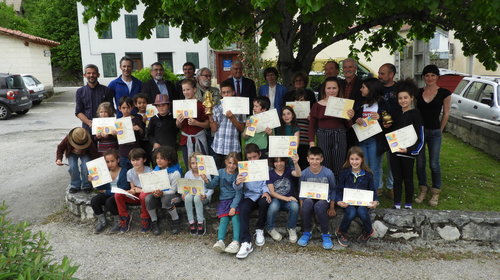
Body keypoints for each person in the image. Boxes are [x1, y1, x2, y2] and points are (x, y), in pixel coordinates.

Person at [384, 79, 424, 209]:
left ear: (412, 98)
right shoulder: (395, 114)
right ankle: (396, 204)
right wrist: (386, 126)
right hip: (395, 152)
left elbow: (421, 137)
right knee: (396, 179)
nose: (403, 100)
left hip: (407, 153)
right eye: (400, 98)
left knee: (408, 179)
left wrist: (409, 150)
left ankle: (408, 204)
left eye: (405, 97)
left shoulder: (416, 114)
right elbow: (390, 132)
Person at [415, 65, 451, 207]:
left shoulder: (444, 93)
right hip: (420, 132)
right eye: (427, 75)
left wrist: (440, 130)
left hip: (435, 132)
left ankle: (435, 192)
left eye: (433, 75)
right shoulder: (418, 92)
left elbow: (447, 113)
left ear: (437, 77)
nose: (429, 78)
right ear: (423, 77)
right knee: (420, 162)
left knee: (434, 163)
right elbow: (414, 111)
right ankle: (423, 189)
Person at [309, 77, 354, 176]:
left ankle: (338, 189)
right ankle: (326, 189)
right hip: (323, 136)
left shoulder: (344, 104)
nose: (331, 91)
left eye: (334, 88)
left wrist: (349, 117)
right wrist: (312, 142)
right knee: (324, 163)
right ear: (324, 89)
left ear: (338, 89)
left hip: (339, 135)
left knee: (339, 164)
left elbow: (349, 126)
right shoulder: (317, 105)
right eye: (328, 88)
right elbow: (312, 125)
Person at [233, 143, 272, 259]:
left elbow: (268, 182)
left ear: (259, 154)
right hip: (249, 196)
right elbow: (238, 188)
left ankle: (260, 228)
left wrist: (266, 191)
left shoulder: (266, 167)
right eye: (249, 158)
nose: (252, 160)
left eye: (254, 157)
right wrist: (238, 182)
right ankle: (246, 242)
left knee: (264, 202)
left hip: (261, 195)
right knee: (243, 207)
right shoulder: (244, 168)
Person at [335, 146, 379, 247]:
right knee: (351, 212)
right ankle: (341, 232)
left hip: (363, 202)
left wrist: (375, 201)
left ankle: (368, 231)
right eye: (352, 159)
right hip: (348, 202)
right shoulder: (344, 173)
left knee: (362, 212)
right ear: (348, 159)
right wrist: (339, 201)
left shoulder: (368, 175)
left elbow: (373, 190)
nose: (354, 162)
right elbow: (338, 190)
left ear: (362, 159)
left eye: (357, 159)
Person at [201, 152, 242, 254]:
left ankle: (236, 241)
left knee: (235, 218)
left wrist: (233, 207)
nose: (232, 165)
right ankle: (220, 241)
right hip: (224, 200)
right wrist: (206, 180)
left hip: (235, 200)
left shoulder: (238, 175)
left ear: (237, 165)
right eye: (230, 163)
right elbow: (212, 185)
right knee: (224, 219)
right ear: (225, 162)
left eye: (234, 163)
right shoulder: (220, 172)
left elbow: (239, 193)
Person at [354, 78, 389, 194]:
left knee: (374, 167)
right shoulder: (360, 102)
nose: (361, 89)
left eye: (363, 87)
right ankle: (364, 191)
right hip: (362, 139)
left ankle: (374, 192)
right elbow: (354, 116)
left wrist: (381, 118)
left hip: (375, 140)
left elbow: (389, 121)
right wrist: (356, 119)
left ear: (371, 89)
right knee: (363, 165)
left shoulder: (382, 103)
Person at [297, 147, 336, 250]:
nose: (315, 161)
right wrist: (301, 206)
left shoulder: (328, 173)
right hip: (309, 197)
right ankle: (306, 232)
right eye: (312, 158)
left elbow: (333, 190)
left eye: (317, 159)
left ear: (322, 159)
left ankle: (325, 234)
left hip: (323, 199)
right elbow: (301, 190)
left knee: (319, 206)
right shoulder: (304, 173)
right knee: (307, 204)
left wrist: (332, 207)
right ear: (308, 159)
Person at [90, 149, 128, 234]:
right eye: (107, 162)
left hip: (119, 195)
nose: (110, 164)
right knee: (94, 200)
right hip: (108, 193)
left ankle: (118, 221)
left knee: (109, 202)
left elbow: (124, 188)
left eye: (112, 161)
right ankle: (102, 221)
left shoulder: (123, 171)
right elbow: (101, 188)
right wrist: (94, 180)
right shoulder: (105, 172)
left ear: (118, 160)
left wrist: (106, 192)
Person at [114, 148, 152, 233]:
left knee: (143, 195)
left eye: (138, 160)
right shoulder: (129, 172)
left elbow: (150, 188)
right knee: (118, 195)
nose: (135, 162)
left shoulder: (149, 171)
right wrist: (130, 191)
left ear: (144, 160)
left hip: (146, 195)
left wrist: (140, 190)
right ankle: (124, 217)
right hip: (136, 196)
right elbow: (132, 187)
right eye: (133, 160)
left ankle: (145, 218)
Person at [146, 146, 182, 235]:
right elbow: (152, 185)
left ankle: (175, 220)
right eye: (157, 158)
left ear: (169, 160)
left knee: (166, 199)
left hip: (175, 197)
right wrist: (154, 191)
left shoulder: (175, 173)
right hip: (159, 195)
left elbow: (173, 190)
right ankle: (154, 221)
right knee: (148, 199)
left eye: (162, 158)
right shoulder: (156, 171)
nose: (158, 160)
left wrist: (162, 193)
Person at [209, 81, 246, 168]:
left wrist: (232, 118)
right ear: (221, 94)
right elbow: (213, 129)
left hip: (233, 148)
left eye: (228, 92)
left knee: (234, 174)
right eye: (224, 92)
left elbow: (241, 129)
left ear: (233, 92)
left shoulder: (240, 108)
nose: (226, 95)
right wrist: (210, 115)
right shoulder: (216, 108)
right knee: (219, 174)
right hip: (218, 148)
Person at [266, 155, 301, 243]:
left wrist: (296, 163)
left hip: (289, 199)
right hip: (277, 199)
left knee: (295, 206)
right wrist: (286, 198)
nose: (279, 164)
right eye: (276, 161)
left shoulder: (288, 170)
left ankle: (291, 228)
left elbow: (298, 174)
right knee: (273, 207)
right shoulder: (270, 174)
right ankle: (270, 228)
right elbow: (272, 193)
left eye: (281, 161)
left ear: (285, 161)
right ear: (273, 163)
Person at [377, 63, 399, 197]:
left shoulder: (399, 89)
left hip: (395, 130)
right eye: (379, 73)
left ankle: (391, 186)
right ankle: (378, 186)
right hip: (378, 130)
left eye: (382, 73)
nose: (379, 76)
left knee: (393, 160)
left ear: (391, 75)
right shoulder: (376, 88)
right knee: (377, 158)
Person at [56, 127, 99, 194]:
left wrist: (99, 164)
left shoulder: (88, 140)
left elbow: (94, 153)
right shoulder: (67, 138)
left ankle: (87, 185)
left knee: (86, 166)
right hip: (71, 153)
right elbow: (60, 148)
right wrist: (59, 159)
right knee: (72, 167)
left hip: (85, 153)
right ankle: (75, 185)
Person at [176, 79, 209, 166]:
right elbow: (178, 126)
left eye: (188, 89)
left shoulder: (201, 105)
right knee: (189, 164)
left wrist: (196, 123)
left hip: (199, 138)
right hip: (186, 139)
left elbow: (207, 124)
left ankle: (204, 179)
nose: (186, 92)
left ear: (194, 89)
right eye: (184, 90)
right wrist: (178, 122)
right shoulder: (179, 105)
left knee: (202, 165)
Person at [75, 64, 114, 133]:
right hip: (87, 128)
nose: (91, 75)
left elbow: (111, 110)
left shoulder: (107, 90)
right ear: (84, 75)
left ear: (98, 75)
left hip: (104, 128)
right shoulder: (80, 91)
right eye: (89, 73)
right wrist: (90, 123)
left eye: (94, 73)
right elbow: (78, 112)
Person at [182, 152, 214, 235]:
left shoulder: (205, 174)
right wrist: (184, 194)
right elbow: (186, 188)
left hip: (203, 197)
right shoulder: (188, 174)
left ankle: (200, 221)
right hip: (191, 195)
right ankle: (191, 221)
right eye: (193, 163)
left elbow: (211, 189)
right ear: (190, 164)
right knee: (188, 197)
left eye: (197, 163)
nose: (195, 165)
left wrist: (206, 195)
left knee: (197, 197)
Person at [116, 97, 145, 169]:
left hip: (135, 151)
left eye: (128, 108)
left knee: (137, 172)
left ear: (132, 107)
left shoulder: (137, 118)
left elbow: (142, 134)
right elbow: (117, 138)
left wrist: (139, 129)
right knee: (125, 174)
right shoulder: (117, 121)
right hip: (123, 152)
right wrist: (114, 133)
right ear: (119, 108)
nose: (126, 110)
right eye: (123, 108)